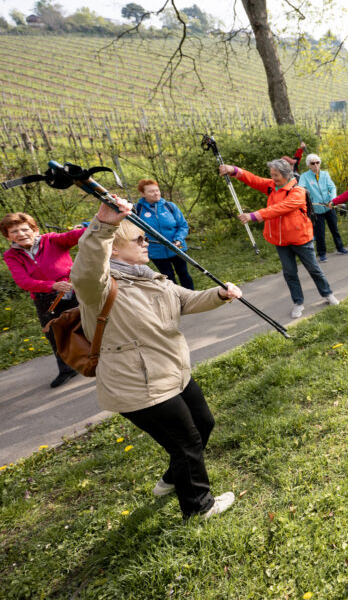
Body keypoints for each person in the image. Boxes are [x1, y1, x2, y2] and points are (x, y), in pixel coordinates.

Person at [70, 196, 241, 520]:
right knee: (186, 442)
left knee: (203, 423)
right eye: (139, 239)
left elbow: (187, 300)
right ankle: (199, 508)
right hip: (138, 382)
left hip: (173, 371)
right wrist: (104, 225)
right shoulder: (100, 287)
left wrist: (220, 294)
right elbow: (84, 272)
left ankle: (173, 478)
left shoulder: (149, 277)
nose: (147, 243)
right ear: (114, 249)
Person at [220, 159, 338, 318]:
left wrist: (254, 216)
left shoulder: (298, 191)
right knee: (289, 273)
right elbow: (253, 179)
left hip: (300, 239)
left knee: (314, 269)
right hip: (280, 241)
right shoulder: (272, 186)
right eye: (271, 175)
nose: (272, 178)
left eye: (275, 175)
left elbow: (280, 208)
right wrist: (233, 170)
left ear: (285, 174)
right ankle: (298, 302)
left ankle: (327, 294)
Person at [2, 213, 85, 388]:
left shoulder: (52, 240)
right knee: (54, 334)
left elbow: (81, 234)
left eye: (25, 229)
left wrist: (93, 223)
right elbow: (23, 281)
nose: (21, 233)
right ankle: (67, 369)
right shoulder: (11, 255)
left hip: (74, 289)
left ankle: (106, 357)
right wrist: (52, 285)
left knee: (89, 323)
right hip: (44, 298)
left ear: (34, 230)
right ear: (8, 236)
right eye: (14, 231)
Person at [132, 180, 194, 288]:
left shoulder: (170, 206)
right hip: (156, 252)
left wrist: (178, 240)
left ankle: (192, 298)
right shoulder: (137, 210)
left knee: (184, 274)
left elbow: (183, 226)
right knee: (168, 278)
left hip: (177, 248)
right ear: (143, 193)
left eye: (157, 190)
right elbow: (133, 231)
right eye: (151, 191)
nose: (156, 193)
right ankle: (176, 301)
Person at [297, 154, 348, 262]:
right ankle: (322, 254)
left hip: (329, 207)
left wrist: (332, 200)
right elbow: (301, 189)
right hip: (316, 210)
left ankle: (340, 248)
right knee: (320, 233)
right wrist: (305, 192)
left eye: (317, 162)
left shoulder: (325, 174)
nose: (316, 165)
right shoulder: (304, 176)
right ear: (308, 165)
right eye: (313, 163)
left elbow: (332, 187)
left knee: (334, 229)